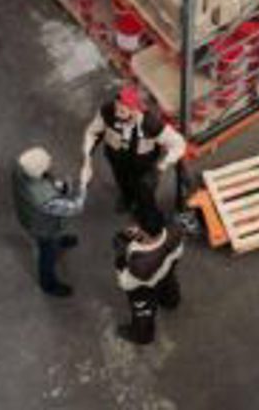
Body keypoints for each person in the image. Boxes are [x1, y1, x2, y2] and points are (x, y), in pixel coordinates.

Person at [80, 85, 186, 222]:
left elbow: (179, 144)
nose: (117, 113)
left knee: (145, 195)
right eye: (116, 107)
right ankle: (127, 199)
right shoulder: (107, 111)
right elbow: (92, 132)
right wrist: (87, 157)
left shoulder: (150, 124)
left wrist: (161, 166)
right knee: (123, 183)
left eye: (122, 111)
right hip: (117, 161)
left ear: (135, 111)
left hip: (144, 168)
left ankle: (147, 214)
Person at [13, 146, 85, 297]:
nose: (50, 161)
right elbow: (74, 208)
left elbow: (45, 181)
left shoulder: (20, 168)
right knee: (47, 253)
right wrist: (83, 187)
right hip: (44, 227)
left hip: (30, 215)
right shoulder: (45, 199)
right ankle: (49, 284)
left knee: (52, 240)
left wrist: (57, 186)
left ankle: (59, 241)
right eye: (47, 162)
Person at [113, 217, 184, 345]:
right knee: (168, 284)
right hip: (167, 270)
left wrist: (121, 259)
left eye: (138, 227)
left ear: (145, 233)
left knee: (143, 311)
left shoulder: (140, 265)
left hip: (145, 286)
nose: (135, 228)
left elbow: (126, 283)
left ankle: (142, 336)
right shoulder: (174, 231)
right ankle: (171, 301)